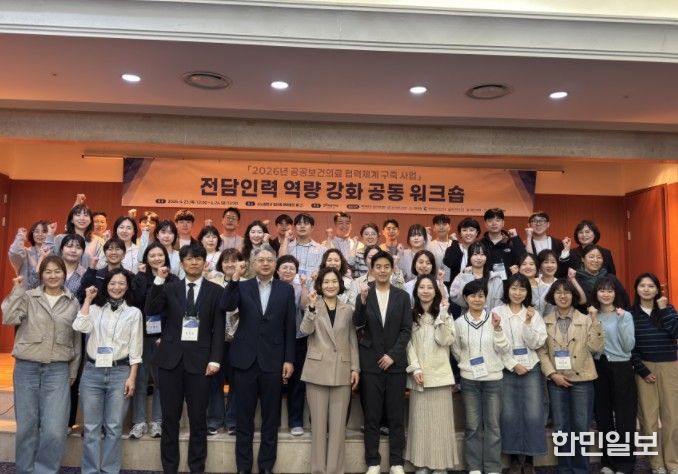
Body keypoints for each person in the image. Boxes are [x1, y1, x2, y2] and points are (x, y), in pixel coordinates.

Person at [145, 242, 225, 474]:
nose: (194, 262)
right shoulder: (169, 288)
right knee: (170, 419)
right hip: (170, 362)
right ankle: (169, 468)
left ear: (204, 262)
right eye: (189, 258)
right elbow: (151, 310)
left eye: (198, 258)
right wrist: (158, 280)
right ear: (181, 263)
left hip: (201, 363)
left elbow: (219, 328)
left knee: (198, 419)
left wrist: (215, 359)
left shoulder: (216, 291)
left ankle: (196, 467)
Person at [1, 256, 82, 474]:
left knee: (55, 429)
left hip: (58, 370)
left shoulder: (72, 302)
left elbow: (76, 340)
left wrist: (73, 370)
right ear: (41, 275)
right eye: (48, 271)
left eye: (57, 271)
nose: (53, 276)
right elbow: (9, 318)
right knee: (27, 428)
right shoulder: (28, 297)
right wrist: (16, 291)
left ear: (64, 274)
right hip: (27, 368)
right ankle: (25, 470)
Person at [222, 246, 296, 474]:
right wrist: (234, 279)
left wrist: (289, 359)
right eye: (260, 260)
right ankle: (243, 467)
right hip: (245, 360)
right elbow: (226, 305)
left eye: (269, 260)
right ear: (253, 264)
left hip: (273, 361)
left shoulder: (286, 290)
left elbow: (289, 326)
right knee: (243, 418)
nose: (265, 263)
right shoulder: (242, 286)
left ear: (275, 264)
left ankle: (266, 467)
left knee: (270, 418)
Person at [74, 269, 143, 474]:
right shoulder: (95, 309)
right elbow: (79, 326)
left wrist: (132, 377)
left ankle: (110, 470)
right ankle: (90, 470)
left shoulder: (134, 313)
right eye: (113, 283)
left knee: (114, 427)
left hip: (120, 372)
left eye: (121, 283)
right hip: (92, 372)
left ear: (127, 287)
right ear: (106, 285)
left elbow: (136, 349)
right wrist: (88, 300)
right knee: (91, 427)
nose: (117, 287)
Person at [353, 250, 412, 474]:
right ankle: (373, 462)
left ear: (392, 269)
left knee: (396, 415)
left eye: (386, 266)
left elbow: (406, 330)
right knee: (372, 416)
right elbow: (358, 324)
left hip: (395, 364)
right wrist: (362, 302)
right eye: (378, 266)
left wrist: (393, 355)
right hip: (371, 363)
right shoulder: (365, 293)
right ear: (372, 269)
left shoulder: (402, 296)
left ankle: (396, 462)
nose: (382, 270)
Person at [536, 278, 604, 474]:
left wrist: (595, 322)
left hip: (582, 380)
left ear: (573, 296)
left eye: (567, 292)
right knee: (560, 427)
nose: (563, 296)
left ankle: (581, 469)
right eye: (558, 292)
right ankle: (565, 469)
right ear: (552, 296)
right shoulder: (545, 321)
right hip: (557, 380)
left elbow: (596, 348)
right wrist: (552, 374)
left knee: (581, 427)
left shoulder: (586, 319)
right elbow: (541, 351)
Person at [300, 267, 360, 474]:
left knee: (338, 428)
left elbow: (352, 340)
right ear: (320, 285)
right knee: (318, 426)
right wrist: (310, 309)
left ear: (340, 284)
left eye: (334, 281)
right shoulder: (313, 305)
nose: (330, 285)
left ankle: (335, 470)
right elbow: (305, 330)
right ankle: (318, 470)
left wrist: (355, 368)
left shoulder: (348, 309)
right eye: (326, 282)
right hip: (316, 370)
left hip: (342, 370)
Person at [451, 279, 511, 474]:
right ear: (465, 298)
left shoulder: (495, 319)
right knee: (472, 426)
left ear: (486, 298)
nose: (477, 299)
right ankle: (474, 467)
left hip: (493, 380)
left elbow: (504, 348)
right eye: (473, 296)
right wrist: (468, 365)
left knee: (493, 425)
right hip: (469, 380)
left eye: (481, 295)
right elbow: (456, 350)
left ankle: (492, 467)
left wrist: (498, 329)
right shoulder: (459, 323)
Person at [494, 274, 548, 474]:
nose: (518, 293)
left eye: (522, 289)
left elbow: (536, 343)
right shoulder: (497, 312)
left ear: (528, 292)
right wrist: (513, 364)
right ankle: (515, 459)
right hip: (506, 368)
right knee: (509, 413)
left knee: (533, 413)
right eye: (514, 288)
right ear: (507, 290)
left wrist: (528, 322)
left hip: (531, 367)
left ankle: (530, 459)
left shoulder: (533, 313)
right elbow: (494, 344)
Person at [404, 274, 458, 474]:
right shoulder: (410, 315)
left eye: (429, 287)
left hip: (440, 376)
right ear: (416, 291)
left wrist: (442, 313)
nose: (425, 291)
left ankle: (440, 465)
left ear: (436, 292)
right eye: (422, 287)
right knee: (420, 424)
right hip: (419, 376)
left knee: (441, 424)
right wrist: (415, 368)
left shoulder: (445, 314)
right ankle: (423, 464)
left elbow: (445, 340)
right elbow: (407, 344)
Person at [128, 242, 179, 439]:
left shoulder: (173, 279)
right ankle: (139, 422)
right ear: (146, 259)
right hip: (141, 336)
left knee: (161, 381)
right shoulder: (140, 278)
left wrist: (166, 335)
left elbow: (175, 309)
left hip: (163, 338)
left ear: (166, 257)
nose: (157, 258)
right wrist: (145, 278)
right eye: (152, 256)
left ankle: (157, 421)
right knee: (140, 380)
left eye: (160, 255)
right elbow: (137, 302)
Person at [630, 273, 678, 474]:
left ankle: (673, 463)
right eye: (642, 285)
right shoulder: (630, 314)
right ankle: (656, 464)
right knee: (648, 420)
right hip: (645, 369)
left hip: (669, 366)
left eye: (651, 286)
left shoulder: (668, 310)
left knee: (672, 418)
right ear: (637, 289)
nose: (647, 289)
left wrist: (664, 309)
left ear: (657, 290)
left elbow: (675, 332)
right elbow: (629, 346)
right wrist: (642, 370)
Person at [590, 276, 637, 474]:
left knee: (625, 417)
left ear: (616, 293)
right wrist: (593, 321)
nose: (606, 294)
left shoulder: (625, 315)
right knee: (603, 417)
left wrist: (621, 321)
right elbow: (591, 347)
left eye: (610, 290)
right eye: (602, 290)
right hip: (599, 367)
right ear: (596, 293)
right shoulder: (592, 315)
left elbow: (628, 346)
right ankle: (608, 462)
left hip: (621, 367)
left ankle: (625, 464)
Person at [206, 248, 246, 436]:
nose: (230, 264)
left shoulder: (247, 284)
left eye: (234, 260)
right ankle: (214, 420)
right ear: (220, 264)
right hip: (216, 339)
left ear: (241, 263)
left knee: (237, 381)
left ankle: (232, 421)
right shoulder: (212, 283)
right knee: (215, 381)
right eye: (226, 261)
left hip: (240, 339)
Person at [274, 254, 308, 436]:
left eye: (292, 268)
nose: (288, 271)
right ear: (277, 270)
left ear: (296, 271)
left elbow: (304, 307)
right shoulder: (270, 287)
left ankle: (296, 421)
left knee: (297, 382)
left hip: (297, 339)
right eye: (284, 267)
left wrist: (303, 286)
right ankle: (273, 420)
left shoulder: (299, 288)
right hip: (274, 340)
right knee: (273, 380)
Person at [449, 241, 503, 313]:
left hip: (490, 317)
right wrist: (467, 277)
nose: (479, 258)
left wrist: (492, 316)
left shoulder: (495, 278)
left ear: (486, 257)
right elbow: (455, 297)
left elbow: (499, 302)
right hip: (468, 317)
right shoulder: (462, 276)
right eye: (475, 254)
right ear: (469, 256)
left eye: (482, 254)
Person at [78, 237, 134, 303]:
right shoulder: (96, 275)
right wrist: (91, 269)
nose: (114, 252)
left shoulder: (130, 276)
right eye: (110, 249)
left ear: (124, 254)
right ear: (105, 253)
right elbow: (81, 295)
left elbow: (133, 299)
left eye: (117, 249)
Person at [574, 244, 629, 310]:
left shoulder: (611, 278)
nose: (595, 260)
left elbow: (624, 300)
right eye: (591, 257)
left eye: (599, 257)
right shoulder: (574, 280)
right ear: (583, 259)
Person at [49, 203, 105, 269]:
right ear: (72, 220)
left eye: (86, 215)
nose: (82, 218)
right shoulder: (60, 238)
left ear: (90, 220)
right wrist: (49, 235)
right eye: (78, 215)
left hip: (89, 275)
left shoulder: (98, 241)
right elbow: (51, 259)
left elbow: (101, 265)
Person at [480, 208, 526, 280]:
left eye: (497, 220)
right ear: (485, 224)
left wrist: (516, 238)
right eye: (490, 221)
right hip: (486, 282)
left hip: (509, 283)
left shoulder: (512, 242)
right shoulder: (480, 244)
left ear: (503, 223)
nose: (494, 223)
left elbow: (523, 259)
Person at [280, 213, 327, 278]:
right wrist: (286, 239)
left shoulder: (321, 250)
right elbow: (281, 263)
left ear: (312, 227)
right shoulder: (287, 247)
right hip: (290, 284)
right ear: (294, 227)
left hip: (312, 284)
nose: (302, 226)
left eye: (306, 223)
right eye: (299, 224)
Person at [8, 220, 51, 290]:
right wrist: (20, 236)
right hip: (25, 294)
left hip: (47, 294)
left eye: (44, 231)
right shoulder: (25, 252)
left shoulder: (52, 254)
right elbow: (14, 253)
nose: (40, 234)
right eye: (36, 231)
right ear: (32, 233)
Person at [426, 214, 454, 287]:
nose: (441, 227)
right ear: (434, 228)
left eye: (444, 224)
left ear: (450, 227)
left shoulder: (455, 245)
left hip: (453, 284)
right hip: (433, 283)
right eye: (438, 224)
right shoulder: (429, 245)